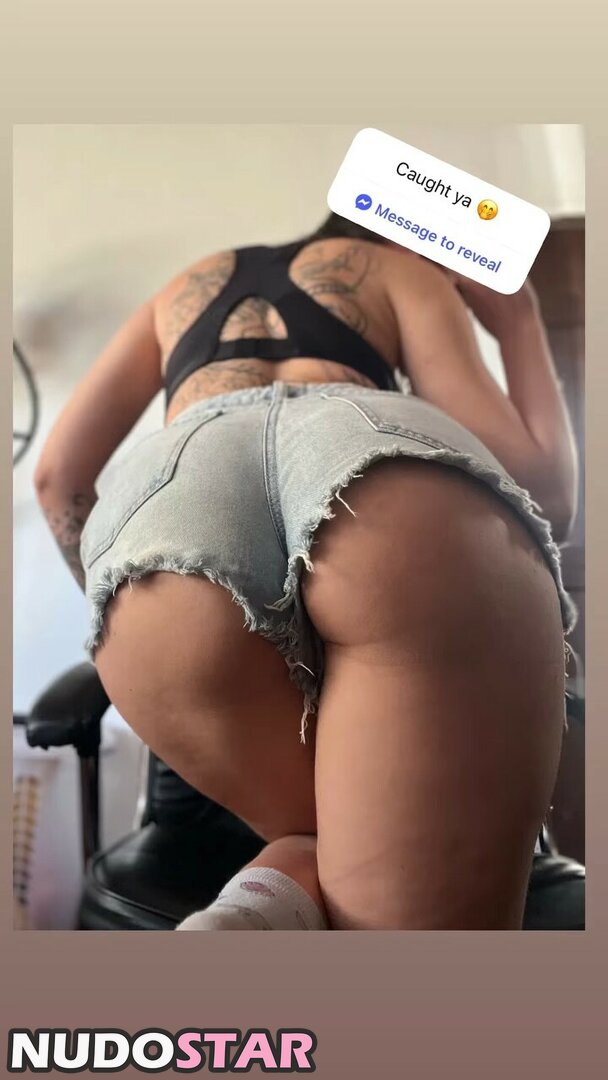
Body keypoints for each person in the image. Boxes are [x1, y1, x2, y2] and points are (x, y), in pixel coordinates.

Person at [34, 211, 578, 930]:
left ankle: (262, 909)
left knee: (333, 849)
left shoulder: (181, 287)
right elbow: (547, 491)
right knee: (406, 914)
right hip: (373, 465)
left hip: (167, 505)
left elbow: (56, 477)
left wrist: (123, 598)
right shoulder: (403, 271)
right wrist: (518, 320)